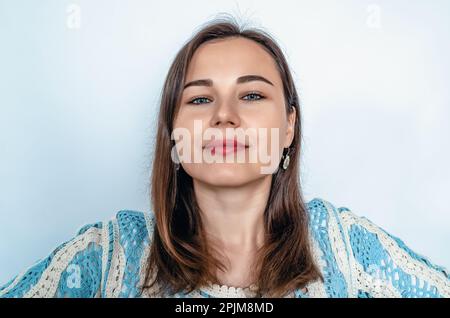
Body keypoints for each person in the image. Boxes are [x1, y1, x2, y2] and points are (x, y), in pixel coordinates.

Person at [1, 17, 449, 298]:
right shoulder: (106, 257)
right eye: (199, 100)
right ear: (173, 133)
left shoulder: (350, 251)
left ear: (289, 126)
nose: (225, 117)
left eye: (252, 94)